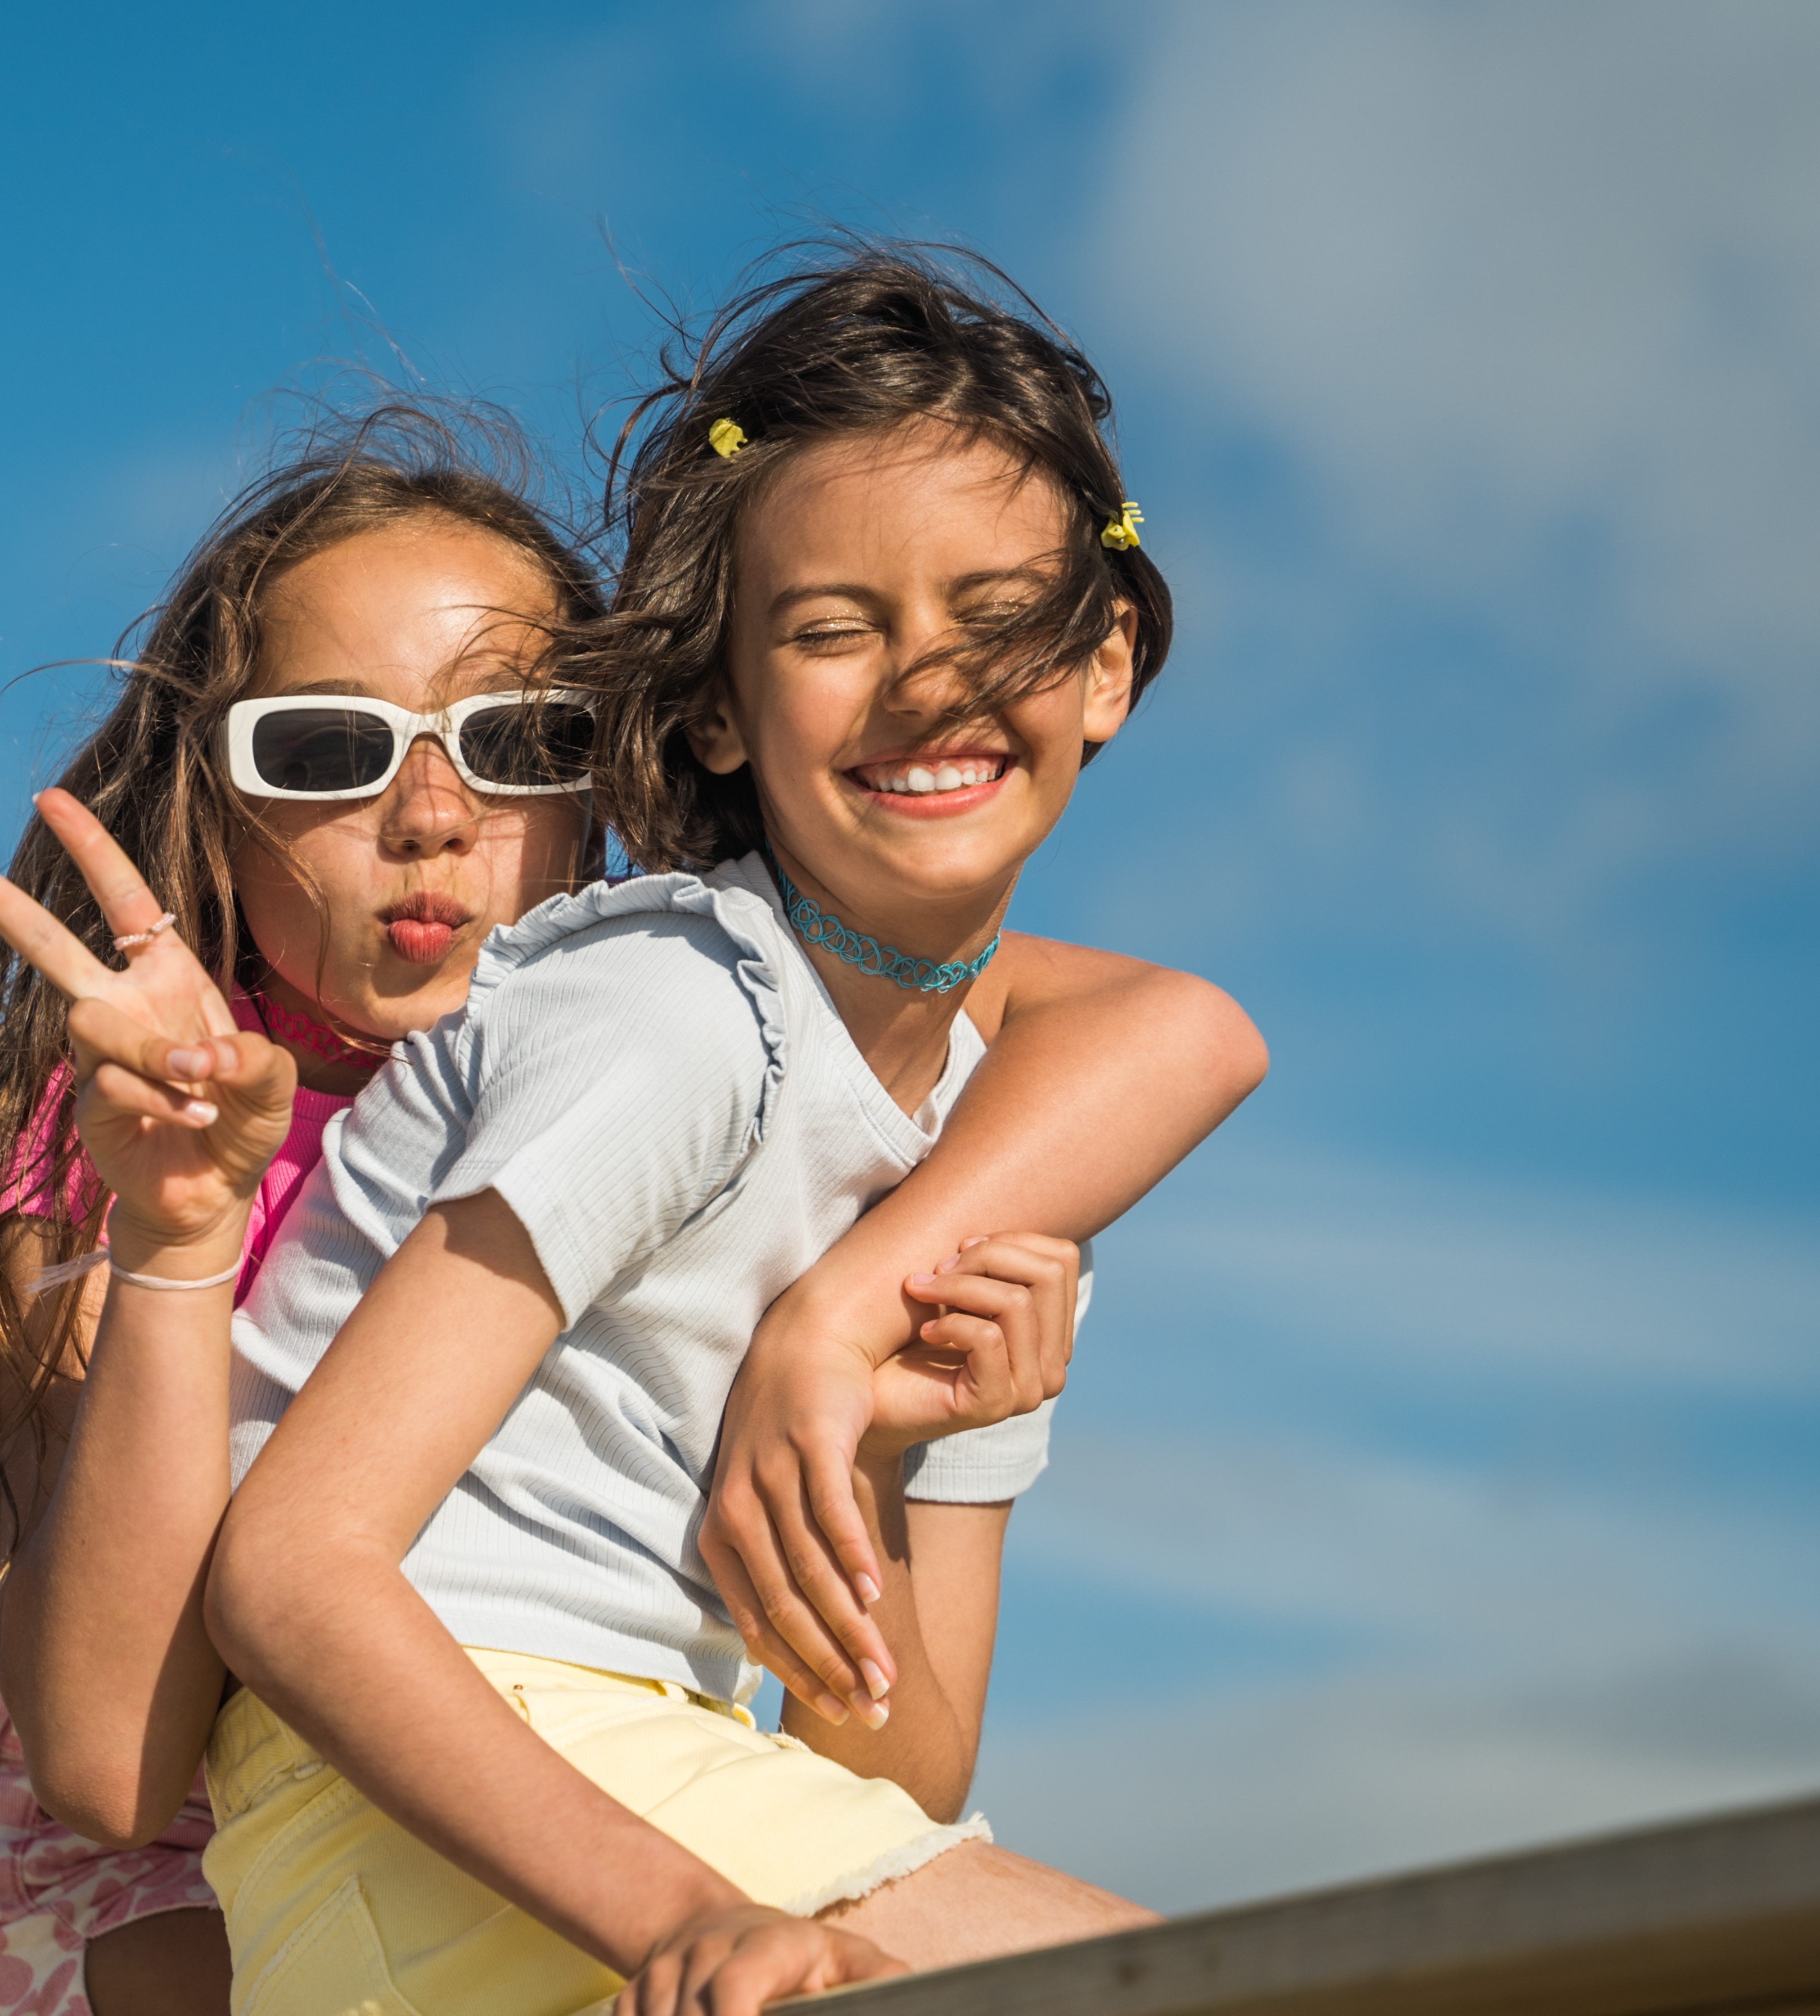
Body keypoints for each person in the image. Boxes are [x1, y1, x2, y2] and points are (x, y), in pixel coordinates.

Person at [0, 377, 1256, 2016]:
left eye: (519, 741)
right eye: (328, 747)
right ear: (218, 799)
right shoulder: (151, 1116)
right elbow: (112, 1762)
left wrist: (858, 1332)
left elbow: (1170, 1028)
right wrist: (178, 1236)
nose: (433, 818)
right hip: (91, 1874)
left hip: (451, 1781)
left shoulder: (643, 1023)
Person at [203, 243, 1258, 2016]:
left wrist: (892, 1451)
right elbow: (291, 1572)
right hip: (407, 1794)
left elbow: (891, 1792)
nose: (929, 684)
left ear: (1108, 667)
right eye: (837, 630)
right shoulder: (670, 1016)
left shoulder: (985, 1168)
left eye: (1000, 618)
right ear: (711, 707)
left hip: (621, 1787)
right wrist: (674, 1916)